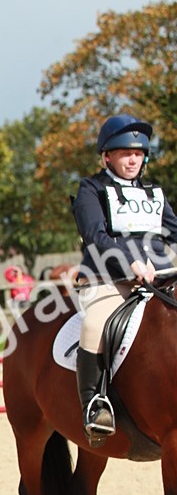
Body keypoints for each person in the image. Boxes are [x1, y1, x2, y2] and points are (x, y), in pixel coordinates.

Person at [72, 114, 177, 445]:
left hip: (159, 279)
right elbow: (95, 235)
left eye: (138, 154)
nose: (133, 160)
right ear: (107, 157)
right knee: (94, 325)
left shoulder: (153, 193)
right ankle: (95, 405)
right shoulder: (91, 189)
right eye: (125, 153)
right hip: (109, 279)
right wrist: (130, 262)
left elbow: (174, 232)